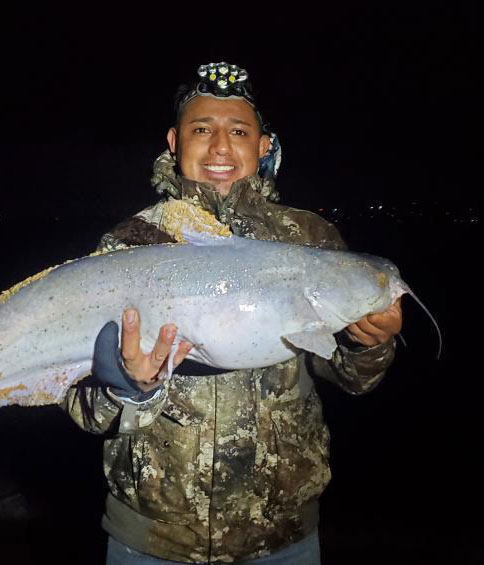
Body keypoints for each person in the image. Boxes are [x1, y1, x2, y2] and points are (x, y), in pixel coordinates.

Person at [61, 62, 402, 564]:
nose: (220, 147)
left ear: (264, 146)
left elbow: (353, 379)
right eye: (202, 130)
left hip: (282, 537)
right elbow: (84, 409)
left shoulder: (311, 240)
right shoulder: (128, 244)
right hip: (152, 541)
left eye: (238, 131)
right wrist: (125, 385)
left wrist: (369, 343)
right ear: (174, 142)